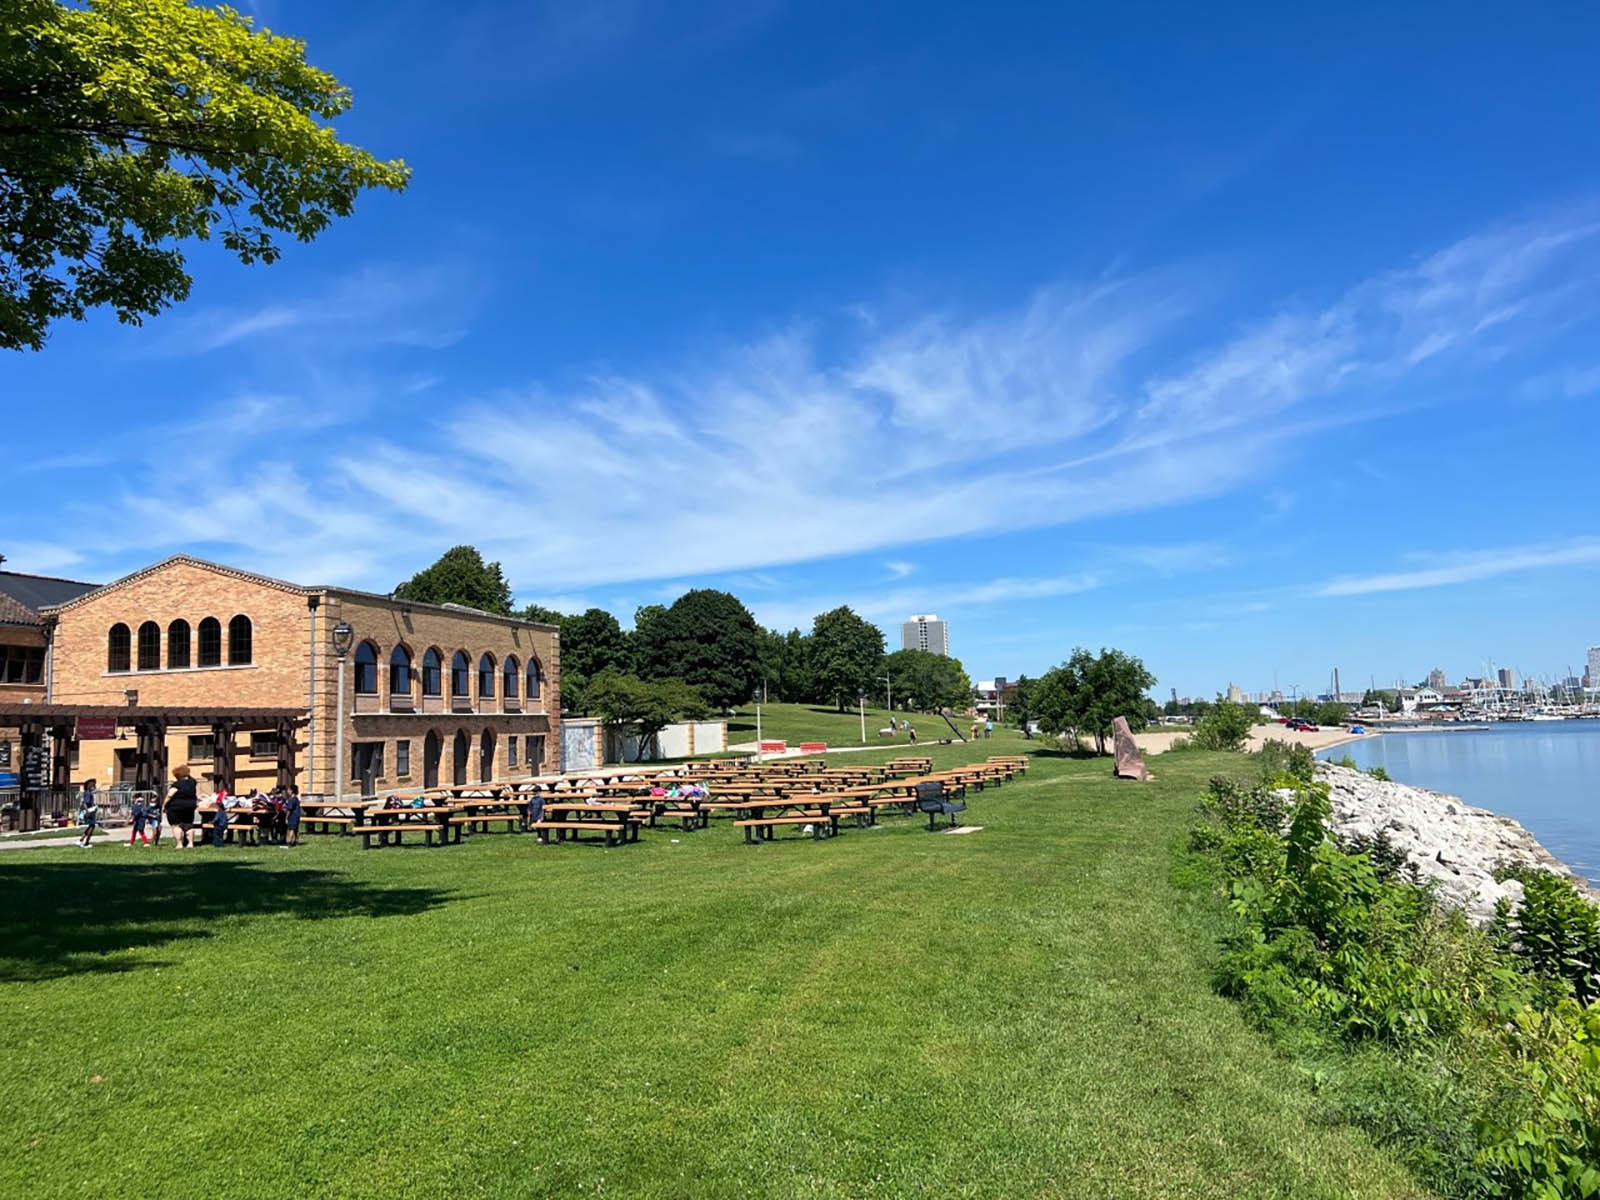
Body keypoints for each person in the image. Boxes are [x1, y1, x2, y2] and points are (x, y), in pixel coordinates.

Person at [165, 765, 199, 850]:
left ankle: (179, 844)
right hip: (190, 806)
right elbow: (191, 779)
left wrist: (164, 805)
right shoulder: (193, 783)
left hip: (176, 807)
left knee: (177, 825)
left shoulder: (177, 784)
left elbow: (170, 795)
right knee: (188, 825)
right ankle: (190, 843)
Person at [76, 781, 99, 847]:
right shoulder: (88, 793)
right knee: (92, 826)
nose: (94, 785)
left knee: (91, 826)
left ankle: (81, 840)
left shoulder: (88, 793)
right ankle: (86, 843)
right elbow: (85, 803)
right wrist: (88, 811)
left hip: (90, 811)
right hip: (89, 811)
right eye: (92, 784)